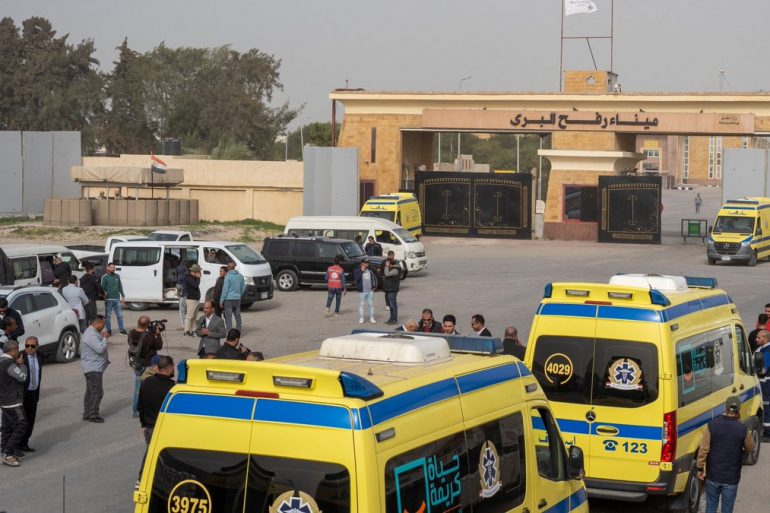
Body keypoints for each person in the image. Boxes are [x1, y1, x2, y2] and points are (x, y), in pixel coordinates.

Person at [696, 396, 755, 513]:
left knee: (711, 505)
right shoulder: (742, 429)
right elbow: (750, 447)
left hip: (713, 476)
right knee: (727, 508)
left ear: (726, 408)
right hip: (731, 478)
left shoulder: (712, 425)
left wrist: (699, 468)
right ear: (738, 410)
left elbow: (704, 449)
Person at [137, 355, 175, 482]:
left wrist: (143, 425)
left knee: (150, 453)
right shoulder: (173, 388)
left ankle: (143, 480)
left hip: (149, 427)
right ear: (169, 368)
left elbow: (140, 406)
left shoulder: (146, 383)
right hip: (165, 429)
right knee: (163, 456)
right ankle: (150, 481)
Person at [127, 316, 164, 418]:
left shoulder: (131, 333)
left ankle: (135, 410)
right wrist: (157, 333)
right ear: (147, 325)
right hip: (148, 365)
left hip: (136, 363)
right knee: (151, 388)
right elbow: (159, 346)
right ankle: (150, 410)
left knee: (138, 388)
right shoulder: (148, 336)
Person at [0, 340, 27, 467]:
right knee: (22, 425)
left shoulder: (1, 361)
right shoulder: (9, 363)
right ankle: (8, 453)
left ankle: (4, 451)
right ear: (13, 350)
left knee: (6, 427)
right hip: (13, 402)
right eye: (17, 350)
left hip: (4, 401)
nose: (18, 352)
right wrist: (22, 365)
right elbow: (22, 377)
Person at [81, 315, 110, 423]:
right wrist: (105, 338)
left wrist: (102, 337)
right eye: (103, 324)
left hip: (92, 367)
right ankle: (93, 414)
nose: (104, 327)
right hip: (93, 368)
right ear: (97, 323)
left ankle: (87, 413)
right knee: (97, 392)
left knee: (90, 392)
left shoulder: (92, 333)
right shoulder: (91, 335)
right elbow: (100, 349)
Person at [20, 336, 41, 452]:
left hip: (34, 392)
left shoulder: (39, 356)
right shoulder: (20, 357)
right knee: (21, 422)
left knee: (31, 420)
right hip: (22, 394)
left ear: (37, 346)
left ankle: (24, 443)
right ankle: (15, 446)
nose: (29, 348)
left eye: (32, 346)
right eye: (27, 346)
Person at [100, 262, 127, 335]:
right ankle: (109, 331)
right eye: (111, 267)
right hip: (108, 300)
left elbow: (120, 286)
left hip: (117, 299)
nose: (113, 269)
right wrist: (104, 295)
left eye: (114, 268)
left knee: (120, 315)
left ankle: (122, 330)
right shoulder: (105, 277)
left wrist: (123, 296)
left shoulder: (117, 276)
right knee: (108, 316)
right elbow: (102, 288)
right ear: (108, 268)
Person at [220, 262, 246, 333]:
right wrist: (239, 294)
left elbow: (225, 290)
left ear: (228, 268)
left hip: (228, 299)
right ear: (234, 267)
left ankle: (229, 332)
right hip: (237, 299)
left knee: (229, 317)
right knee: (237, 316)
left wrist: (221, 300)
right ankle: (238, 332)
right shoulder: (240, 276)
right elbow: (243, 287)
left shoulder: (227, 277)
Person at [755, 329, 770, 442]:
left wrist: (755, 370)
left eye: (758, 337)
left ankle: (767, 433)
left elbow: (763, 370)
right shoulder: (761, 349)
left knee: (766, 406)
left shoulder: (768, 351)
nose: (756, 339)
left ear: (765, 339)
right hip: (763, 383)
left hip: (765, 383)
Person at [354, 259, 378, 324]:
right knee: (362, 305)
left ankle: (372, 317)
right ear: (361, 264)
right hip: (362, 291)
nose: (366, 264)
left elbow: (375, 277)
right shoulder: (357, 270)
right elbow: (356, 278)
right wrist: (362, 271)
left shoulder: (370, 270)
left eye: (367, 263)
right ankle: (361, 318)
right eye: (365, 263)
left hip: (370, 291)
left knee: (371, 305)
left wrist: (374, 286)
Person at [183, 264, 202, 336]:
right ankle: (186, 330)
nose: (200, 273)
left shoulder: (193, 278)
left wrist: (197, 278)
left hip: (195, 299)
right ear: (195, 271)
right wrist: (198, 278)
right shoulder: (189, 277)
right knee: (189, 316)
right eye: (199, 271)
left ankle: (193, 330)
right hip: (191, 299)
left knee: (194, 317)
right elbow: (195, 285)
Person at [382, 251, 400, 325]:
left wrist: (386, 266)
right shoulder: (393, 268)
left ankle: (394, 319)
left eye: (389, 264)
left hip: (393, 289)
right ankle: (391, 318)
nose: (387, 265)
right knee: (391, 305)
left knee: (393, 305)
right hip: (389, 289)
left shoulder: (395, 270)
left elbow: (387, 274)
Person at [175, 260, 188, 331]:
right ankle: (188, 324)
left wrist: (178, 291)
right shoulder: (188, 275)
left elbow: (178, 287)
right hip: (189, 296)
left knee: (182, 311)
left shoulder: (180, 277)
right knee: (187, 311)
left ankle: (183, 325)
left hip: (183, 295)